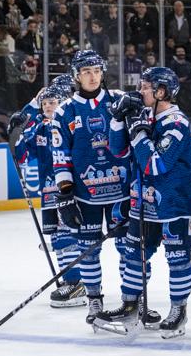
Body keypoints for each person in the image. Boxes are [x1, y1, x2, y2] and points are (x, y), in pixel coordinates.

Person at [94, 67, 191, 338]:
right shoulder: (145, 117)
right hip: (144, 203)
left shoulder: (177, 123)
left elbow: (155, 164)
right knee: (134, 255)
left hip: (175, 204)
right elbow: (118, 150)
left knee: (178, 258)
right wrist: (118, 119)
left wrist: (139, 133)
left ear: (161, 92)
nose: (139, 92)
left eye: (145, 87)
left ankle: (178, 311)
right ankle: (130, 306)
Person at [50, 50, 143, 326]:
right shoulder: (65, 111)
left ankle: (132, 300)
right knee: (88, 250)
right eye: (86, 72)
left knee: (128, 247)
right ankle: (94, 299)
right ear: (76, 76)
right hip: (85, 195)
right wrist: (65, 193)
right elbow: (60, 155)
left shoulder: (118, 100)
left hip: (121, 193)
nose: (93, 77)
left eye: (97, 71)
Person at [11, 76, 83, 308]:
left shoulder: (71, 124)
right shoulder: (40, 128)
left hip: (68, 191)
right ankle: (68, 281)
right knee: (58, 239)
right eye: (44, 103)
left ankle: (77, 283)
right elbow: (22, 155)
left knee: (68, 238)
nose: (48, 106)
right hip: (49, 193)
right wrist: (16, 133)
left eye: (52, 102)